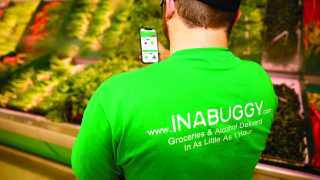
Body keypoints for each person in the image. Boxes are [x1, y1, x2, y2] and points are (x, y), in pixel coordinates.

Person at [72, 0, 278, 179]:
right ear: (237, 16)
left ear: (170, 6)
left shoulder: (114, 97)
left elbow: (90, 174)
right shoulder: (260, 82)